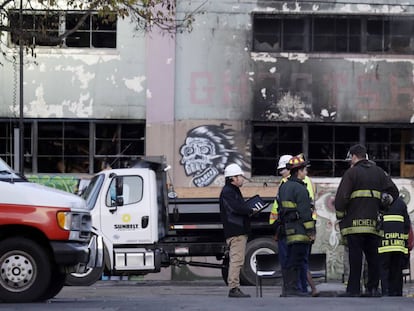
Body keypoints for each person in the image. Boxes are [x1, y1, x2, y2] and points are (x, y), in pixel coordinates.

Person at [335, 144, 399, 297]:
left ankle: (353, 290)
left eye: (350, 158)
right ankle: (372, 289)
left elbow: (341, 198)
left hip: (354, 226)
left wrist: (340, 215)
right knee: (373, 259)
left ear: (354, 156)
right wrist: (384, 203)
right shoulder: (379, 172)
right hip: (374, 225)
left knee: (355, 259)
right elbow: (394, 192)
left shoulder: (352, 173)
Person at [278, 155, 316, 296]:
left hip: (288, 230)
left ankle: (287, 289)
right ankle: (294, 289)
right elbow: (306, 214)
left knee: (289, 260)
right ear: (298, 171)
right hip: (300, 231)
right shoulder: (301, 189)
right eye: (304, 170)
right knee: (297, 261)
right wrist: (311, 232)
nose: (306, 173)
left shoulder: (284, 187)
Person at [219, 163, 256, 298]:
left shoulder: (231, 191)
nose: (242, 179)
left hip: (237, 229)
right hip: (236, 230)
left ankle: (234, 287)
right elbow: (236, 208)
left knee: (237, 260)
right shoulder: (228, 191)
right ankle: (233, 288)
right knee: (237, 260)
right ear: (232, 178)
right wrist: (250, 209)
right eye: (240, 176)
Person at [269, 154, 292, 296]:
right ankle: (289, 288)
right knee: (286, 259)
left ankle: (292, 288)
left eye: (283, 169)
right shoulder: (284, 182)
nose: (281, 172)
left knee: (292, 260)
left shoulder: (298, 182)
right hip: (282, 226)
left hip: (291, 226)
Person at [378, 196, 411, 296]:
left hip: (384, 244)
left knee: (384, 269)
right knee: (397, 269)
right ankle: (397, 292)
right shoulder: (401, 203)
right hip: (398, 244)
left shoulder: (380, 202)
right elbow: (407, 224)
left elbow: (377, 224)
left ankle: (386, 292)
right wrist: (404, 241)